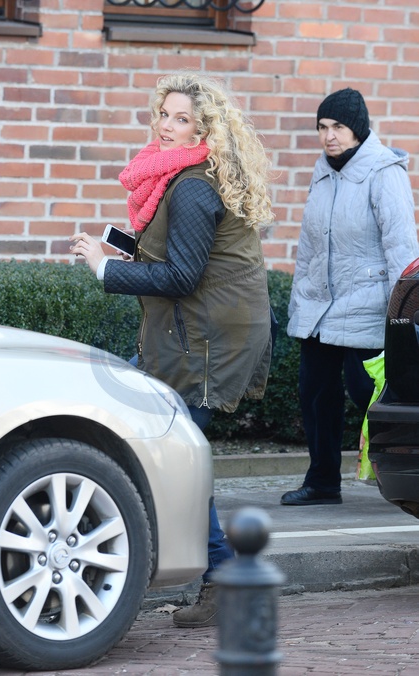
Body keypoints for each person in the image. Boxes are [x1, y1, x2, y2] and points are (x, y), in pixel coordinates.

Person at [69, 72, 274, 625]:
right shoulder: (177, 177)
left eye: (182, 119)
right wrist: (125, 252)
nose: (166, 125)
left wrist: (105, 268)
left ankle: (223, 582)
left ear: (202, 130)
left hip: (208, 343)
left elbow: (183, 276)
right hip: (195, 335)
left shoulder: (191, 187)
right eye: (164, 113)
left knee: (169, 455)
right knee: (168, 452)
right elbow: (180, 255)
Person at [282, 87, 419, 507]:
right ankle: (322, 483)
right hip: (319, 309)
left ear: (357, 129)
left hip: (367, 307)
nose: (329, 136)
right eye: (323, 127)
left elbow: (402, 248)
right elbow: (309, 248)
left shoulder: (384, 172)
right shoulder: (322, 171)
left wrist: (404, 314)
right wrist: (299, 306)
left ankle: (405, 480)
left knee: (369, 394)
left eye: (338, 127)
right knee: (315, 396)